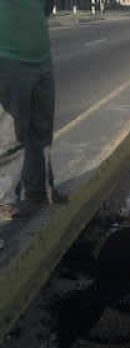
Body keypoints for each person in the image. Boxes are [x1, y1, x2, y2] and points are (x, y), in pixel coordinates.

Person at [0, 0, 64, 222]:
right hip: (8, 60)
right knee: (10, 135)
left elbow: (46, 9)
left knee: (42, 130)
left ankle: (40, 190)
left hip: (42, 61)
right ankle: (5, 200)